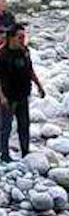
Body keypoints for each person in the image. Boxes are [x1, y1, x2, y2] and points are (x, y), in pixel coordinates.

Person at [0, 24, 44, 162]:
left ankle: (25, 152)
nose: (22, 40)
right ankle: (4, 154)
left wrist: (39, 86)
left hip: (23, 94)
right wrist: (1, 97)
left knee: (24, 125)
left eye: (24, 37)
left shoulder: (24, 51)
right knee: (5, 127)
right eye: (20, 37)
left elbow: (30, 70)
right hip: (8, 96)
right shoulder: (2, 54)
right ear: (11, 38)